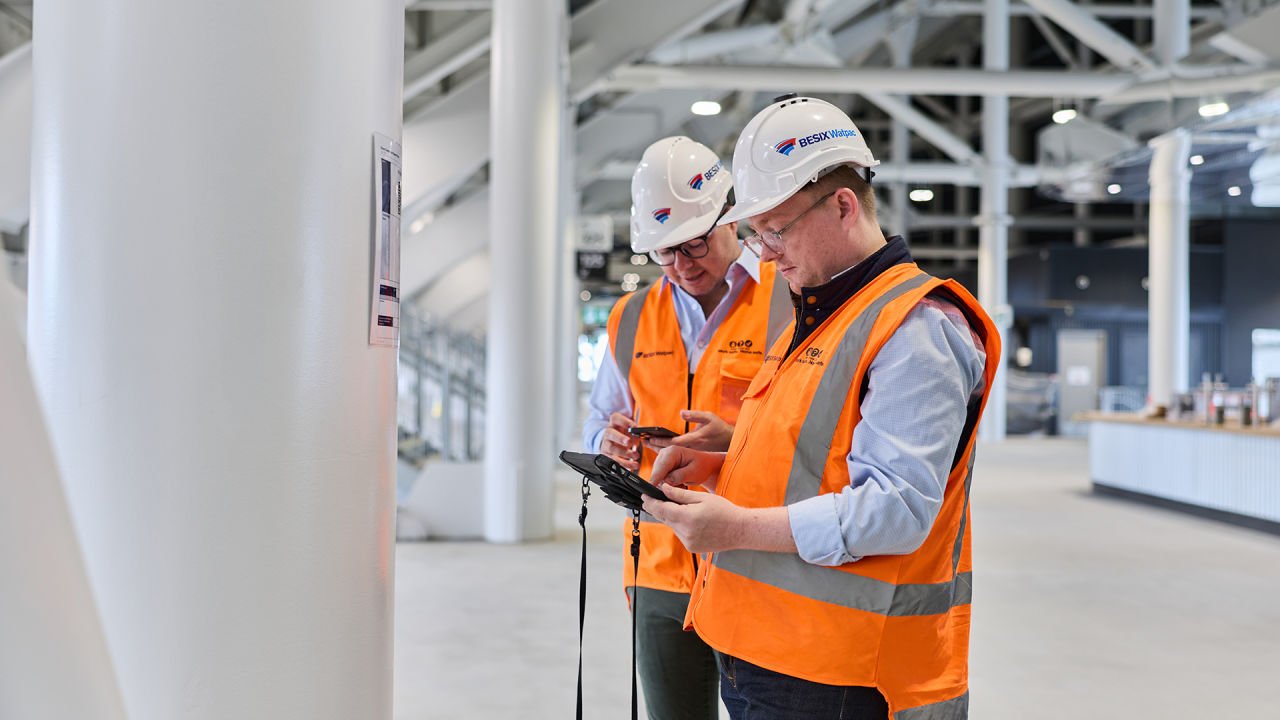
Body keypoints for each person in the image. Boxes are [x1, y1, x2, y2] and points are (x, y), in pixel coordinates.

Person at [640, 96, 1002, 720]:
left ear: (842, 205)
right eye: (757, 235)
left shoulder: (916, 327)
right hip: (772, 653)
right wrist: (732, 449)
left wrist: (734, 528)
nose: (766, 253)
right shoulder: (820, 315)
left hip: (845, 677)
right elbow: (819, 450)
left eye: (775, 231)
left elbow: (895, 507)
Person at [582, 135, 791, 720]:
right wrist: (610, 441)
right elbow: (599, 414)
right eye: (664, 252)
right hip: (659, 565)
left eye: (693, 244)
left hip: (759, 560)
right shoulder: (630, 318)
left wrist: (739, 434)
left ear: (730, 216)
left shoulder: (791, 299)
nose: (681, 265)